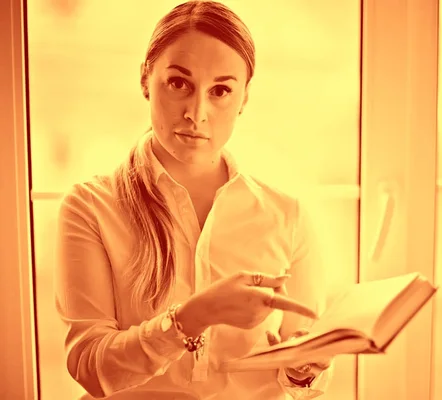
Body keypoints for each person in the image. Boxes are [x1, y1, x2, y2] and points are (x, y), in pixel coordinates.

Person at [54, 1, 333, 399]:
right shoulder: (90, 207)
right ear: (146, 80)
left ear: (244, 99)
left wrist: (305, 369)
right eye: (179, 83)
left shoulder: (286, 215)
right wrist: (193, 317)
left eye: (220, 90)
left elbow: (303, 380)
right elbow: (90, 368)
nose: (197, 113)